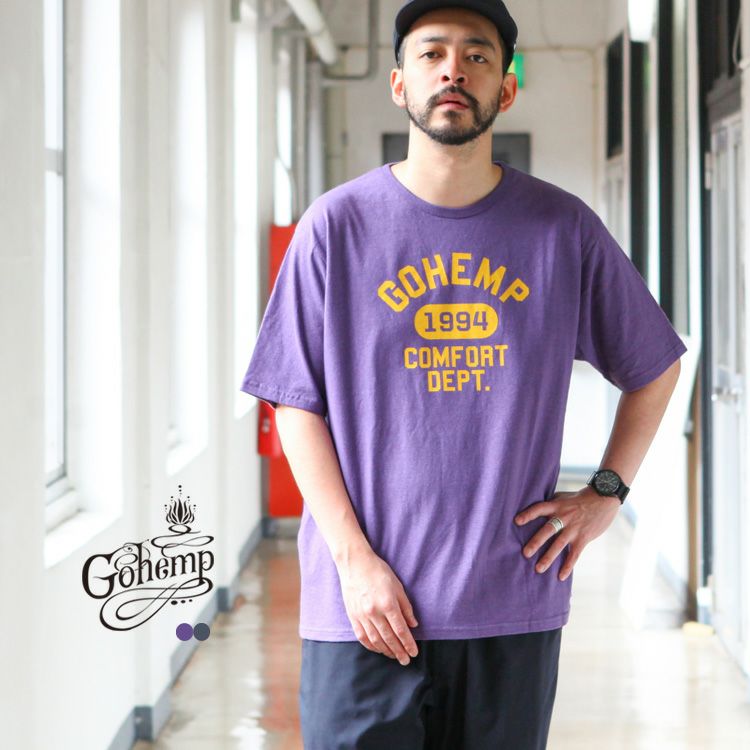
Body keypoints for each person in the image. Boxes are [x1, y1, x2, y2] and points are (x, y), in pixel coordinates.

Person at [240, 1, 687, 747]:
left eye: (477, 56)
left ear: (505, 89)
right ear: (399, 84)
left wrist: (606, 494)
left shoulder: (562, 229)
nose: (453, 70)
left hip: (508, 598)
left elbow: (654, 365)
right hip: (362, 605)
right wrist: (354, 562)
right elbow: (294, 402)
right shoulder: (336, 228)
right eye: (431, 53)